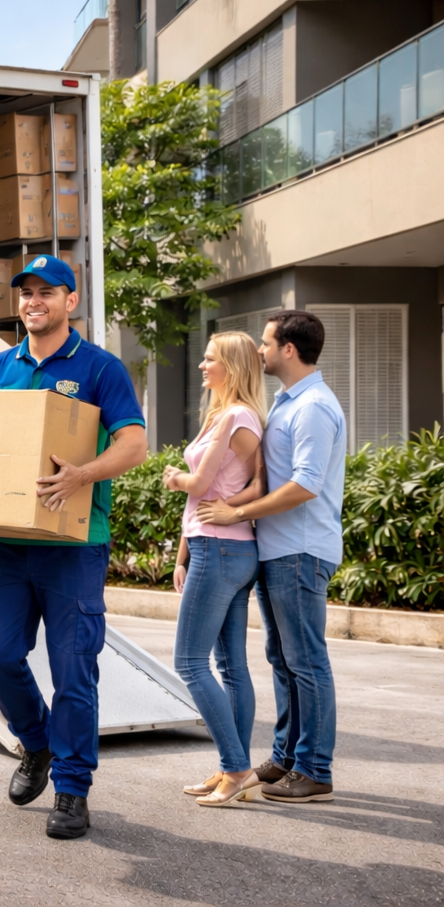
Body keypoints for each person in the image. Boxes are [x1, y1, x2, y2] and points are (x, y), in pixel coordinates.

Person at [0, 255, 148, 840]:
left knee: (74, 670)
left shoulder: (100, 369)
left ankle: (72, 790)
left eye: (46, 292)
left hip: (75, 545)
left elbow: (134, 445)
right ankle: (38, 744)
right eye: (26, 293)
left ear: (71, 301)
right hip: (9, 542)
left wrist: (83, 474)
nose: (33, 302)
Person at [197, 310, 344, 804]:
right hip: (276, 549)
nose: (259, 351)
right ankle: (285, 758)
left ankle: (315, 768)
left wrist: (238, 511)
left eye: (265, 343)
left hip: (301, 550)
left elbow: (305, 485)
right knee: (282, 660)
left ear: (288, 349)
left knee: (306, 662)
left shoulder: (315, 407)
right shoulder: (286, 402)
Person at [163, 331, 266, 807]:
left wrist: (175, 478)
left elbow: (201, 484)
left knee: (188, 662)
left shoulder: (236, 417)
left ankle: (237, 767)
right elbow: (233, 488)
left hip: (221, 549)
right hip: (223, 548)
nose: (203, 366)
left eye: (210, 360)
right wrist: (183, 554)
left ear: (232, 366)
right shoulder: (223, 416)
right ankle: (232, 767)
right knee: (229, 666)